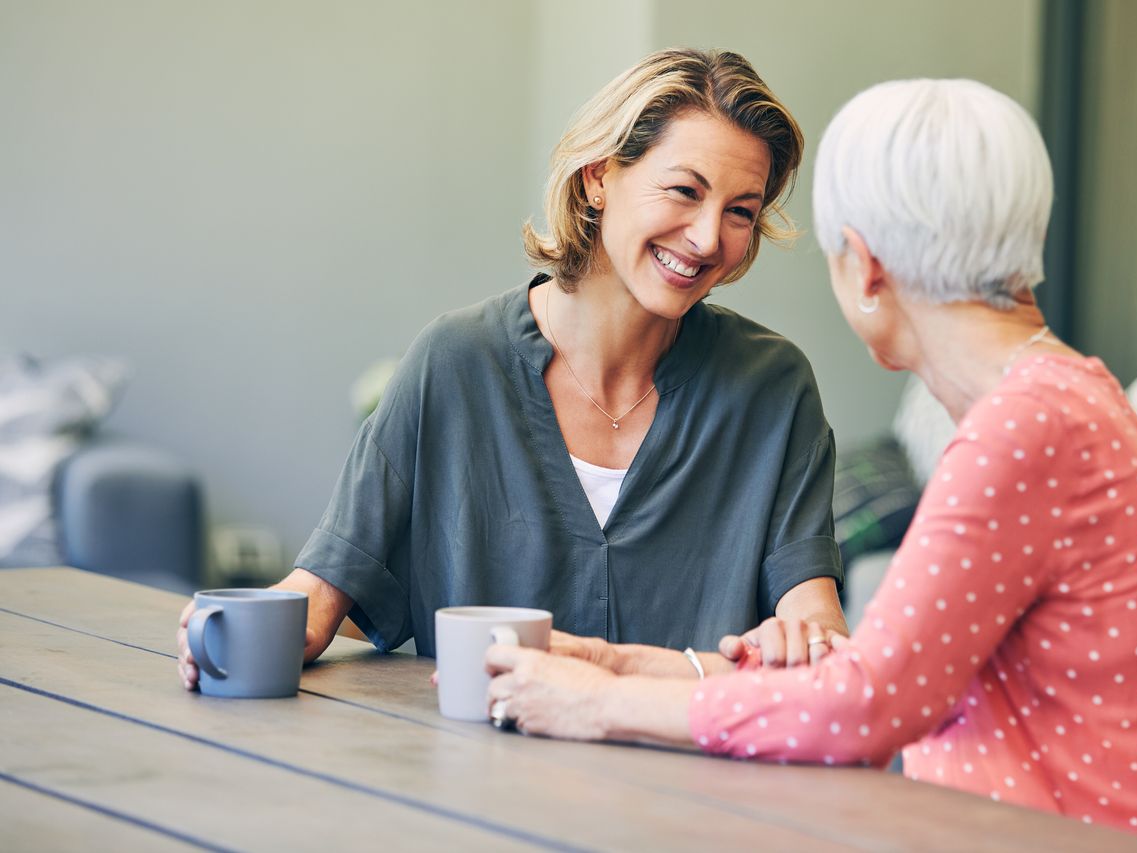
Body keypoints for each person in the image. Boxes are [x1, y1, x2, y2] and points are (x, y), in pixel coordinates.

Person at [482, 78, 1137, 851]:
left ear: (867, 265)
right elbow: (881, 676)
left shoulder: (1028, 428)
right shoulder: (1064, 401)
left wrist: (597, 704)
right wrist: (615, 663)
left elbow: (865, 710)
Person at [177, 48, 848, 690]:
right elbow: (317, 598)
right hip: (476, 786)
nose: (708, 239)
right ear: (599, 177)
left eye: (740, 211)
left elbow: (814, 626)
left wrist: (803, 644)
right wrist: (228, 634)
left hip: (691, 792)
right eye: (683, 190)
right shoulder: (455, 364)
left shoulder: (772, 390)